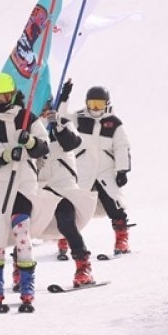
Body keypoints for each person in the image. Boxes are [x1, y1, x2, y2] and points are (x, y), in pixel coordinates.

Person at [0, 72, 55, 312]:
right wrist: (6, 154)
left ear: (12, 94)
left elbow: (43, 148)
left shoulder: (28, 118)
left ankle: (27, 290)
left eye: (3, 95)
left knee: (21, 229)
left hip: (23, 184)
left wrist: (30, 144)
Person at [62, 82, 135, 255]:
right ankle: (64, 238)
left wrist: (122, 170)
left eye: (99, 105)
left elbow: (122, 146)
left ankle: (121, 238)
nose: (95, 109)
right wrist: (64, 97)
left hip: (105, 171)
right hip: (83, 170)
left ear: (107, 104)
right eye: (92, 104)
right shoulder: (80, 118)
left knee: (114, 204)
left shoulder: (114, 123)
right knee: (72, 204)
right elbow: (61, 117)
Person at [36, 98, 99, 287]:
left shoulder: (62, 122)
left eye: (47, 108)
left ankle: (83, 267)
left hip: (63, 183)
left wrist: (58, 126)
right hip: (40, 184)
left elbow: (72, 143)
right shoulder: (30, 126)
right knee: (25, 225)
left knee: (67, 222)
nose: (44, 113)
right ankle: (21, 271)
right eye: (41, 110)